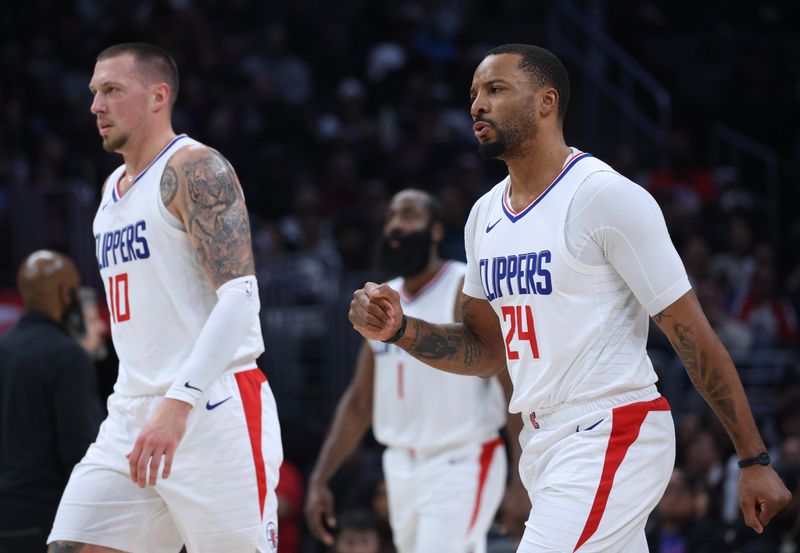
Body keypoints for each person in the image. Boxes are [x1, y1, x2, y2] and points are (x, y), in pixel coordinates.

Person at [349, 43, 791, 552]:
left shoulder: (603, 196)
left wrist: (753, 459)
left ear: (546, 101)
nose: (476, 105)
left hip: (612, 427)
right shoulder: (482, 217)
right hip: (544, 440)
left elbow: (690, 333)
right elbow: (488, 350)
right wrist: (401, 330)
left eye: (495, 89)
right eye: (473, 94)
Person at [47, 43, 282, 553]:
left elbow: (241, 298)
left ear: (158, 96)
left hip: (212, 407)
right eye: (93, 92)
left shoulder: (196, 169)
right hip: (132, 411)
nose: (96, 106)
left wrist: (179, 405)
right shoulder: (110, 189)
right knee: (72, 545)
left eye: (111, 90)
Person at [307, 190, 527, 553]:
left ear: (436, 230)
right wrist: (320, 477)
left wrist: (521, 480)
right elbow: (360, 402)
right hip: (399, 466)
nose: (395, 225)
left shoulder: (463, 287)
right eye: (391, 216)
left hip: (461, 459)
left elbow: (510, 389)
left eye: (409, 215)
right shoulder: (381, 299)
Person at [0, 251, 103, 552]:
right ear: (66, 292)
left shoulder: (3, 346)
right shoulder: (68, 356)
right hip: (46, 517)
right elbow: (79, 450)